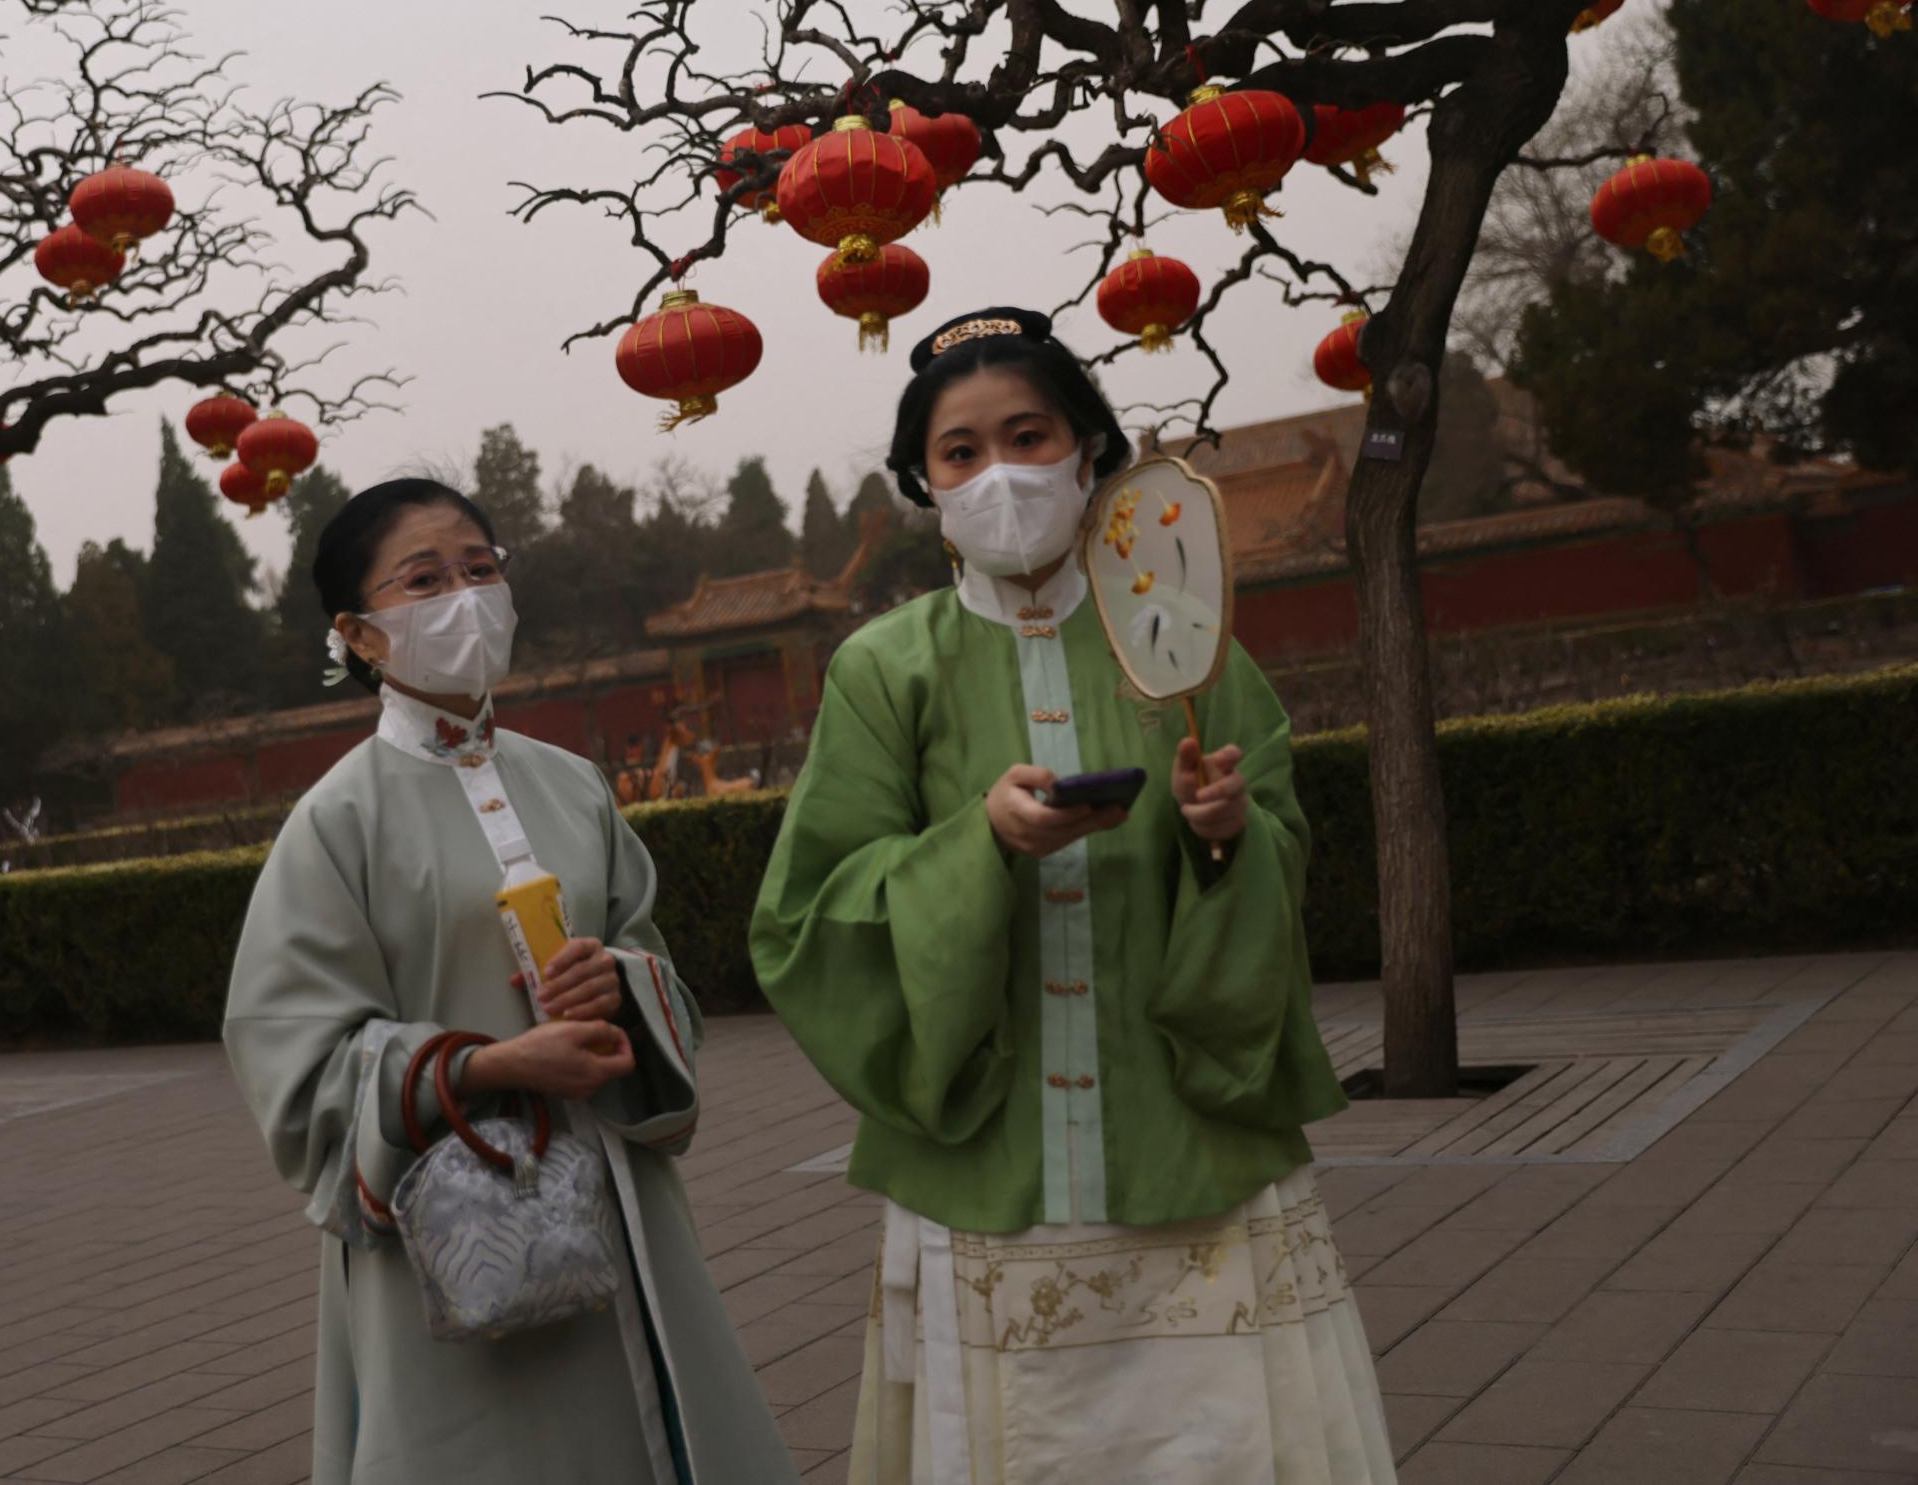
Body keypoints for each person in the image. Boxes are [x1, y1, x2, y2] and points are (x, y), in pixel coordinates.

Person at [750, 309, 1393, 1485]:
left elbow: (1282, 844)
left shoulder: (1187, 639)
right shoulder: (883, 667)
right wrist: (975, 843)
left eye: (1027, 433)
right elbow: (810, 915)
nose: (997, 471)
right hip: (991, 1143)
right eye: (959, 451)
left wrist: (1224, 836)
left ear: (1086, 449)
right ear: (924, 481)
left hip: (1186, 1128)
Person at [224, 478, 800, 1485]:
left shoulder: (568, 780)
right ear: (360, 634)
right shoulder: (336, 822)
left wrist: (620, 982)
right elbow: (292, 1052)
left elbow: (646, 950)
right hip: (448, 1226)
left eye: (480, 568)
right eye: (424, 577)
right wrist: (487, 1062)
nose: (463, 593)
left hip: (620, 1197)